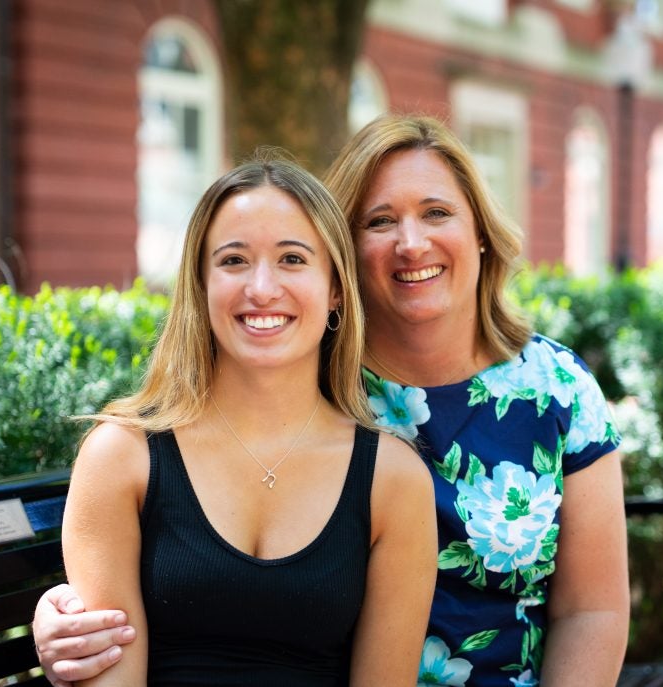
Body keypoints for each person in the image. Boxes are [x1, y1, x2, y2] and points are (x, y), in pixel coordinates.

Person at [35, 115, 630, 686]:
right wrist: (67, 613)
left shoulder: (554, 389)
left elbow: (594, 608)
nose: (412, 242)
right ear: (347, 257)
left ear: (480, 233)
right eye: (379, 222)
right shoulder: (295, 367)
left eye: (438, 213)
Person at [56, 155, 437, 686]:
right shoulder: (121, 458)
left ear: (335, 290)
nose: (261, 289)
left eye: (292, 259)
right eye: (234, 261)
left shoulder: (393, 480)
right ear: (201, 285)